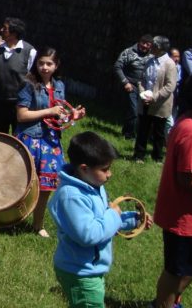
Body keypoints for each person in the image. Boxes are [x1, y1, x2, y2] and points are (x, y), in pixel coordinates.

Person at [49, 131, 150, 308]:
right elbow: (89, 234)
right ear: (84, 168)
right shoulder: (71, 197)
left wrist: (132, 220)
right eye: (104, 169)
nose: (109, 174)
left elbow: (102, 219)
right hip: (79, 272)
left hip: (90, 269)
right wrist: (113, 215)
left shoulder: (93, 185)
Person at [16, 47, 85, 237]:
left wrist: (73, 116)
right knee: (23, 183)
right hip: (31, 138)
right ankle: (11, 217)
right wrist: (48, 112)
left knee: (46, 186)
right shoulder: (28, 84)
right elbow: (21, 115)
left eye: (49, 64)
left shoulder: (59, 86)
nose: (44, 67)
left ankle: (38, 224)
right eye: (41, 63)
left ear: (56, 66)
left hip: (51, 141)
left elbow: (59, 117)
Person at [152, 72, 192, 308]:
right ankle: (163, 303)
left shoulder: (187, 122)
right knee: (175, 270)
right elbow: (186, 179)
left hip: (190, 215)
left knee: (190, 265)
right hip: (183, 217)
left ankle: (169, 301)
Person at [0, 17, 36, 133]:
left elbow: (33, 80)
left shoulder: (29, 52)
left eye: (5, 28)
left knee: (18, 139)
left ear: (14, 32)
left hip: (19, 104)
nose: (1, 30)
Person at [134, 36, 178, 163]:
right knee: (143, 129)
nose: (149, 47)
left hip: (160, 103)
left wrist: (154, 97)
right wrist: (143, 93)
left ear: (159, 48)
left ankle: (157, 157)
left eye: (152, 45)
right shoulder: (149, 60)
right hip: (145, 100)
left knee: (158, 131)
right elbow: (142, 79)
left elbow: (170, 86)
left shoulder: (169, 64)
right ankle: (139, 155)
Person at [114, 34, 154, 140]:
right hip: (130, 85)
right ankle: (129, 135)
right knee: (133, 110)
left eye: (148, 45)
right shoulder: (129, 52)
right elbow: (118, 66)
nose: (144, 46)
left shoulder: (152, 56)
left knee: (141, 112)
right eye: (143, 43)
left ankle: (128, 130)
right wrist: (125, 82)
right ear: (139, 42)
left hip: (145, 87)